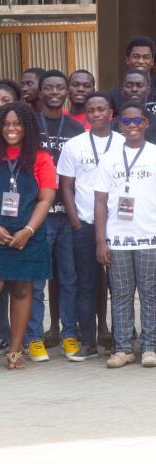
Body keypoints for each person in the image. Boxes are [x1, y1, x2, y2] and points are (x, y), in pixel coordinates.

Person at [0, 102, 56, 370]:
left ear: (27, 126)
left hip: (28, 233)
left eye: (17, 124)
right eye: (6, 124)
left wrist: (28, 230)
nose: (11, 129)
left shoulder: (41, 157)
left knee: (21, 288)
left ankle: (16, 350)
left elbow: (46, 199)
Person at [58, 93, 124, 361]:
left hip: (119, 227)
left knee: (119, 286)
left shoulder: (123, 143)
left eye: (101, 109)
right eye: (91, 110)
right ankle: (88, 340)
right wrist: (75, 222)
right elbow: (66, 186)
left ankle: (120, 339)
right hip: (85, 224)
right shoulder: (74, 145)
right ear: (85, 114)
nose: (96, 114)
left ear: (111, 113)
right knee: (86, 283)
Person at [26, 69, 84, 362]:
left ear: (66, 92)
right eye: (48, 87)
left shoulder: (75, 128)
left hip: (67, 214)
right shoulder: (29, 124)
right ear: (40, 91)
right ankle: (34, 338)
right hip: (39, 214)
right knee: (37, 279)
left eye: (59, 88)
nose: (54, 92)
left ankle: (68, 334)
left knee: (69, 278)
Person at [95, 101, 156, 368]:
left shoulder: (154, 154)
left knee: (150, 293)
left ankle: (150, 347)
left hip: (150, 237)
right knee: (120, 294)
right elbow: (99, 202)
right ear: (120, 125)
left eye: (137, 121)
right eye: (127, 122)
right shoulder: (108, 159)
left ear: (146, 123)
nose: (132, 126)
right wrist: (100, 240)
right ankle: (122, 349)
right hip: (117, 239)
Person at [108, 36, 156, 116]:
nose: (141, 61)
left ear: (152, 61)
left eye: (146, 57)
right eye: (136, 57)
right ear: (127, 60)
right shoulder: (113, 95)